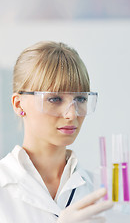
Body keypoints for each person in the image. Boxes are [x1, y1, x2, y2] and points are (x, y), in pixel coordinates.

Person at [0, 41, 113, 223]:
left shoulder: (100, 188)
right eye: (55, 99)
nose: (71, 114)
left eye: (80, 99)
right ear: (18, 104)